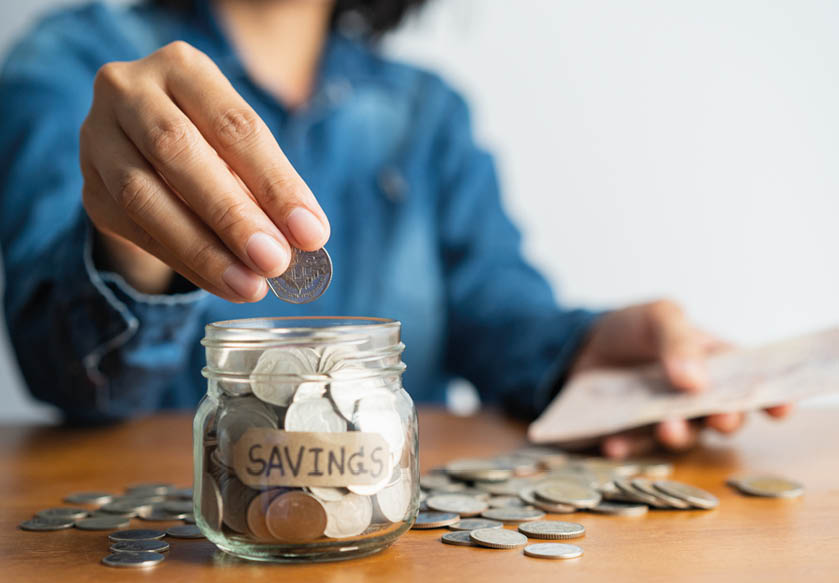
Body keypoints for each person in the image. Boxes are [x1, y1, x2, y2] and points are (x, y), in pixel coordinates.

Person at [0, 0, 788, 457]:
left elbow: (499, 316)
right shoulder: (74, 67)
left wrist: (582, 351)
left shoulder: (427, 111)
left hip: (388, 528)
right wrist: (130, 236)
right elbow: (67, 375)